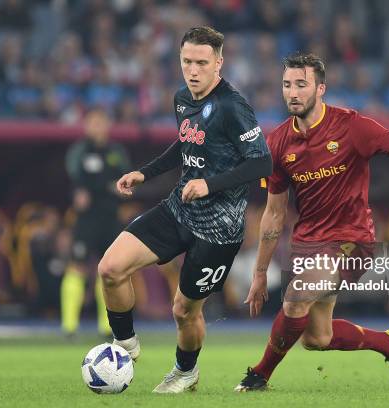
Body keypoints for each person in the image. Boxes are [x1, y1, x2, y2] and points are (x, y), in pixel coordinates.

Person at [235, 52, 389, 391]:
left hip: (352, 241)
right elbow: (273, 213)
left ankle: (259, 375)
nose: (293, 92)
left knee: (296, 296)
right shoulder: (278, 142)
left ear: (321, 89)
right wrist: (259, 273)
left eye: (302, 84)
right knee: (317, 337)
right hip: (309, 244)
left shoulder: (352, 125)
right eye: (287, 85)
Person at [99, 26, 272, 393]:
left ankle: (185, 372)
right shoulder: (182, 99)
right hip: (179, 209)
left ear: (219, 64)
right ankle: (126, 346)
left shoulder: (233, 106)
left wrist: (210, 184)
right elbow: (184, 145)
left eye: (201, 63)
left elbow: (262, 164)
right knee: (110, 269)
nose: (193, 70)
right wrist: (144, 173)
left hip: (218, 231)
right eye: (187, 61)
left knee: (184, 310)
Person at [61, 108, 131, 337]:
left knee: (110, 270)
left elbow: (124, 182)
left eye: (101, 121)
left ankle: (107, 327)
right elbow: (74, 178)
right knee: (77, 266)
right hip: (87, 219)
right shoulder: (79, 151)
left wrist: (106, 187)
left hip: (111, 217)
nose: (98, 126)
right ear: (86, 125)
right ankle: (69, 327)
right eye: (93, 122)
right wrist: (105, 187)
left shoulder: (116, 152)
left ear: (108, 124)